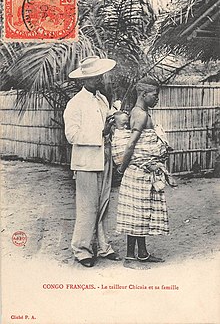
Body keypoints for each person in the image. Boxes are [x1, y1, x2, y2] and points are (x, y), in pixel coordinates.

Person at [63, 55, 120, 267]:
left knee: (104, 203)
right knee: (88, 206)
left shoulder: (102, 99)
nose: (99, 79)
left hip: (104, 157)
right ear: (83, 80)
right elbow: (72, 135)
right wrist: (100, 132)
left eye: (100, 75)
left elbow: (106, 124)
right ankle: (82, 250)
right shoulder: (75, 103)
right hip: (86, 161)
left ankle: (104, 246)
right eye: (94, 77)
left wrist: (111, 123)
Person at [114, 76, 177, 265]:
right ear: (144, 94)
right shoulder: (140, 114)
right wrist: (122, 168)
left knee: (139, 213)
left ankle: (140, 254)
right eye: (155, 95)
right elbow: (132, 144)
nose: (157, 99)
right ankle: (130, 257)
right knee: (136, 213)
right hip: (138, 171)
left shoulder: (139, 111)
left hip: (141, 171)